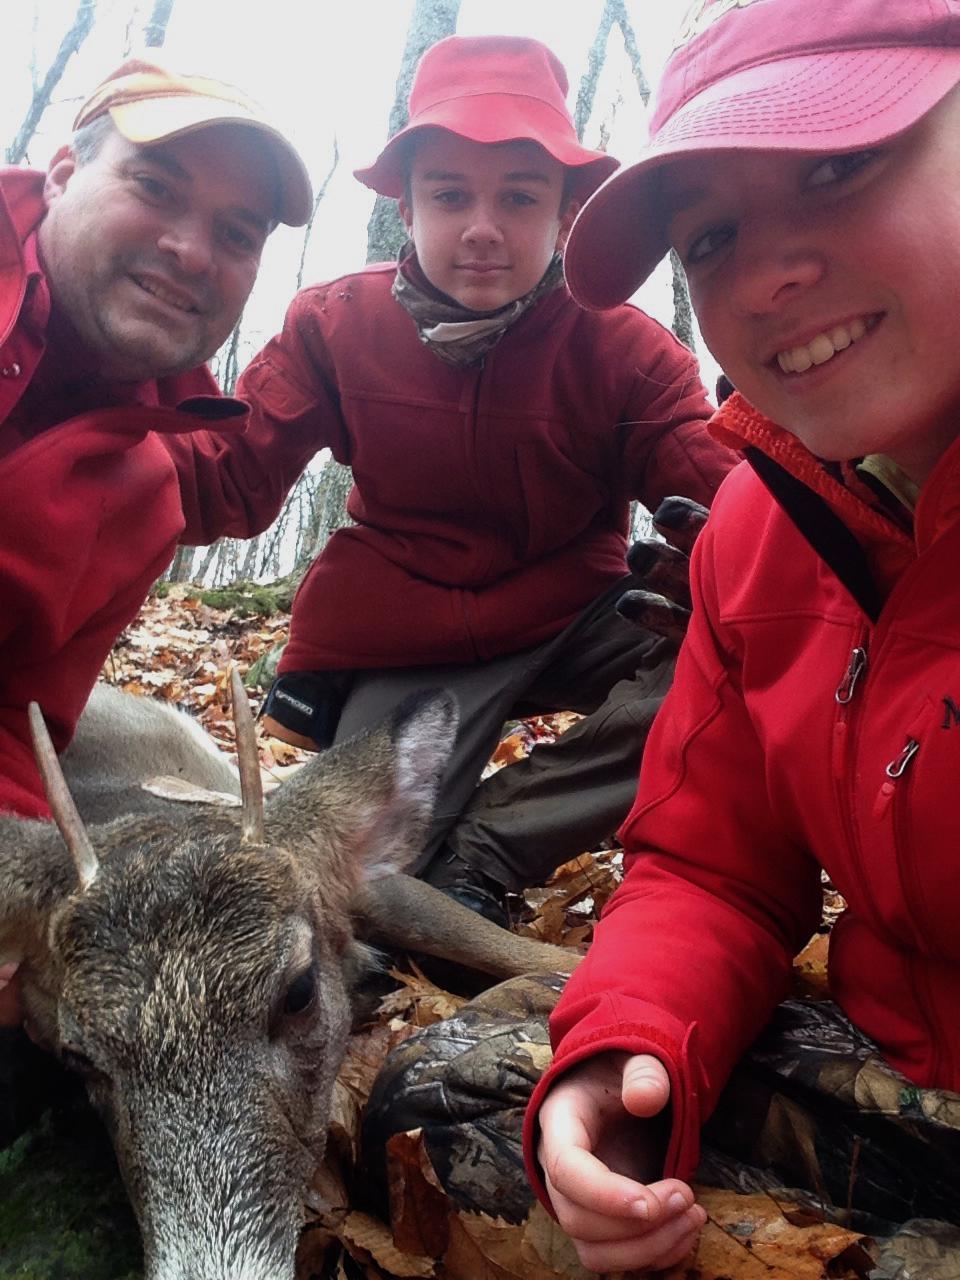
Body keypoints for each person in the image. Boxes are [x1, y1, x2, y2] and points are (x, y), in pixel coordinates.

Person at [516, 0, 960, 1270]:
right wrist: (630, 1048)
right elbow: (714, 864)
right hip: (887, 1076)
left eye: (838, 164)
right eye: (711, 236)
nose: (767, 276)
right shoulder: (758, 526)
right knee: (462, 1104)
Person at [246, 34, 736, 924]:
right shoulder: (331, 325)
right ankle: (417, 849)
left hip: (577, 617)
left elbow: (731, 499)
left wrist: (813, 459)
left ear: (564, 211)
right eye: (449, 194)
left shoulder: (623, 349)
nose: (482, 227)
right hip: (409, 635)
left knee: (746, 665)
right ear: (407, 202)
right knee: (337, 895)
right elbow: (223, 483)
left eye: (519, 196)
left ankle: (493, 845)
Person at [0, 57, 318, 1030]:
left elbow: (19, 727)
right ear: (60, 172)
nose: (190, 250)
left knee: (197, 801)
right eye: (156, 187)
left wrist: (17, 914)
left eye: (237, 233)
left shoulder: (146, 495)